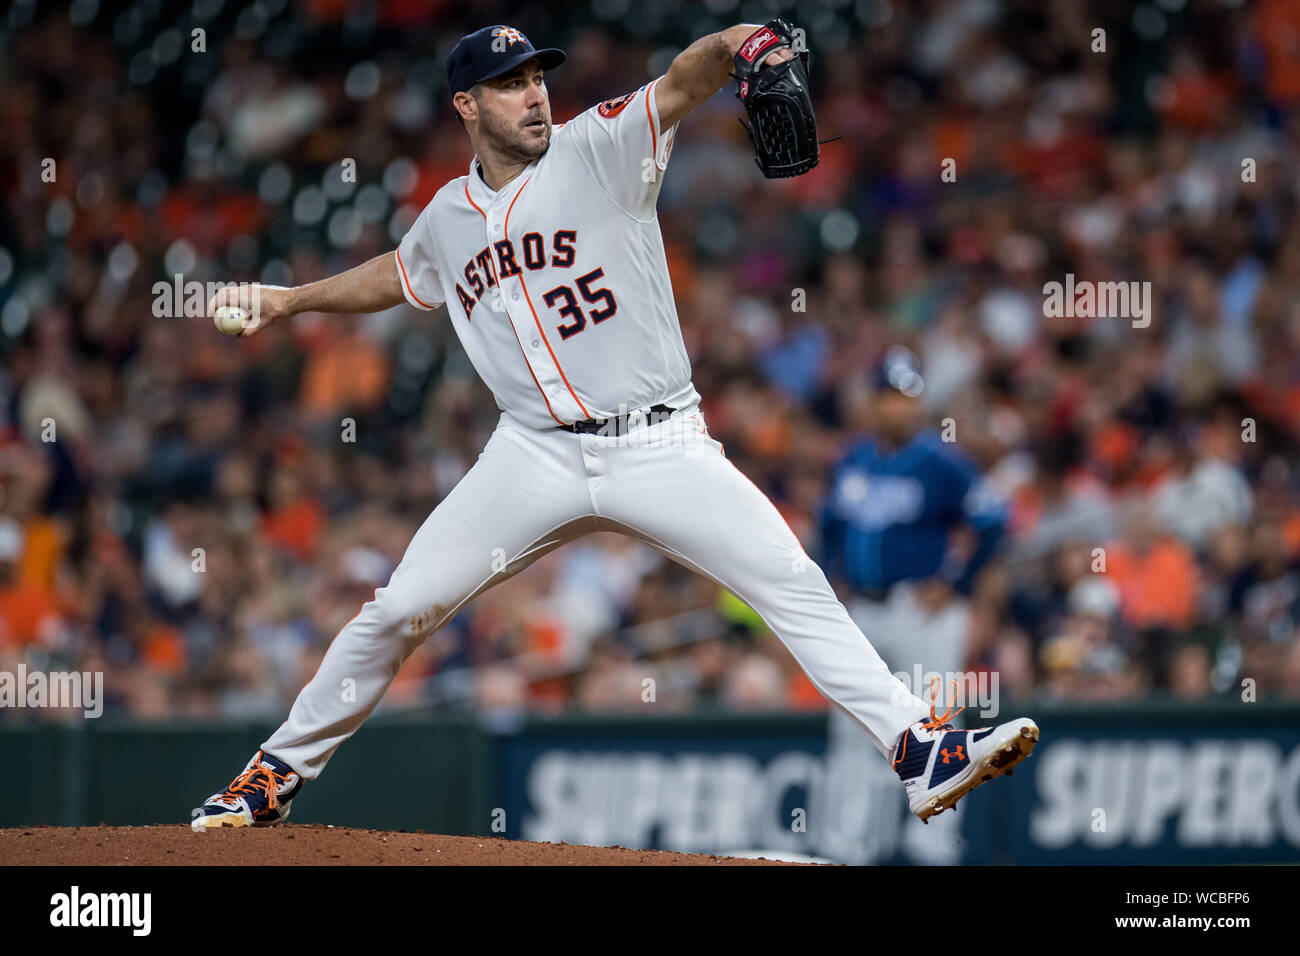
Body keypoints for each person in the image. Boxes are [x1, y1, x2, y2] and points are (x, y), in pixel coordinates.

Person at [193, 23, 1037, 835]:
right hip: (530, 452)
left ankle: (920, 748)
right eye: (508, 84)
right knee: (397, 609)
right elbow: (403, 272)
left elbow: (686, 79)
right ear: (465, 106)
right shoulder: (448, 217)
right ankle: (271, 776)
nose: (532, 95)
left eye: (535, 78)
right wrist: (288, 300)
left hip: (659, 441)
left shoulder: (598, 147)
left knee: (788, 578)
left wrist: (744, 43)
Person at [820, 347, 1008, 864]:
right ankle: (845, 850)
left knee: (935, 730)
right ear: (873, 402)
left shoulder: (943, 462)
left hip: (920, 611)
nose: (896, 408)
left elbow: (993, 522)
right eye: (887, 397)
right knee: (851, 729)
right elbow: (829, 524)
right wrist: (829, 573)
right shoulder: (854, 458)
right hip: (862, 608)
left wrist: (957, 581)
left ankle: (933, 853)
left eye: (905, 397)